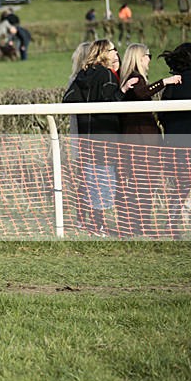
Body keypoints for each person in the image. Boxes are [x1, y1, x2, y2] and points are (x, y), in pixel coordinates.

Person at [63, 39, 138, 236]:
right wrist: (122, 90)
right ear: (105, 53)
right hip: (105, 138)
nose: (116, 53)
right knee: (103, 184)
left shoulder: (82, 74)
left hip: (87, 139)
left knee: (91, 182)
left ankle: (89, 223)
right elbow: (109, 104)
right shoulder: (106, 74)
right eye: (113, 50)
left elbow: (67, 99)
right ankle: (99, 226)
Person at [115, 43, 182, 236]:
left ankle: (139, 225)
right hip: (140, 143)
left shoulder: (132, 77)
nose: (150, 60)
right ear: (140, 57)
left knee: (142, 186)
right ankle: (140, 225)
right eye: (148, 55)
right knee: (143, 186)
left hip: (140, 141)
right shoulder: (135, 78)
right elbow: (141, 93)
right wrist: (165, 82)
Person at [157, 42, 191, 235]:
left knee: (180, 188)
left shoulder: (172, 85)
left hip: (176, 147)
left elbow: (163, 117)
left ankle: (171, 227)